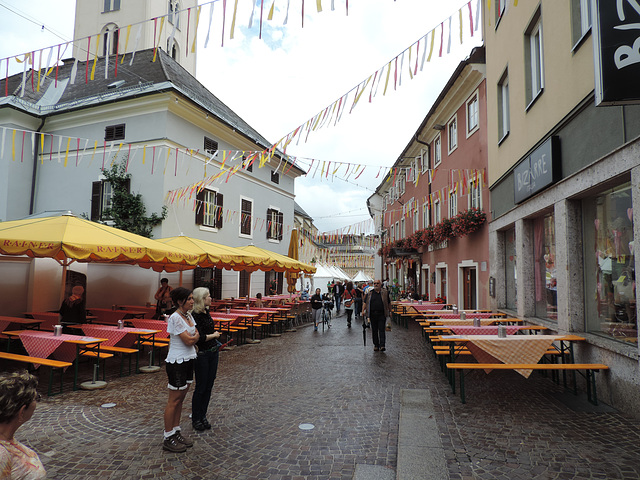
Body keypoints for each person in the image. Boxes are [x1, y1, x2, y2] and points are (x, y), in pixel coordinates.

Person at [162, 287, 199, 453]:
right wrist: (194, 338)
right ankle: (168, 435)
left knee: (181, 399)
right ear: (179, 301)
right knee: (174, 400)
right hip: (177, 361)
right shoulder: (175, 317)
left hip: (189, 359)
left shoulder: (188, 315)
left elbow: (196, 333)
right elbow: (189, 340)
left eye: (192, 298)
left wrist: (194, 337)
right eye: (189, 299)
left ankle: (176, 431)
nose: (192, 301)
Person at [0, 371, 46, 479]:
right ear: (21, 412)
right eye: (36, 398)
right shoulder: (2, 454)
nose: (37, 402)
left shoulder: (7, 440)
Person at [191, 287, 222, 432]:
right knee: (201, 387)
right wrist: (214, 335)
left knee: (209, 385)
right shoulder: (195, 316)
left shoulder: (206, 312)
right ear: (202, 299)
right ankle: (196, 417)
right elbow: (199, 338)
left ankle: (203, 415)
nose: (211, 298)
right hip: (202, 354)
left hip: (213, 353)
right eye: (208, 296)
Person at [363, 279, 391, 352]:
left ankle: (382, 345)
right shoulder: (370, 293)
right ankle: (376, 345)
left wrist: (390, 311)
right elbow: (365, 302)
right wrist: (363, 311)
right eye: (375, 283)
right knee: (374, 330)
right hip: (372, 314)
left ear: (380, 284)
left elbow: (388, 302)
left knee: (382, 329)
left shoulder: (385, 293)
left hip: (382, 314)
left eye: (377, 283)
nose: (376, 285)